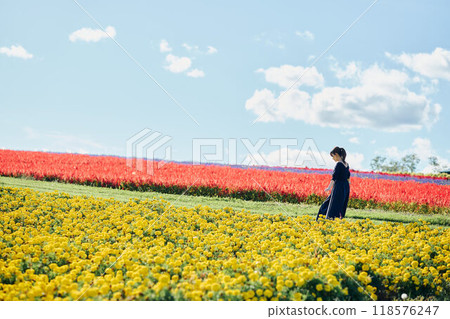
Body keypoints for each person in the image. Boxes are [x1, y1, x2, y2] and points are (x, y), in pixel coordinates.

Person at [316, 147, 350, 221]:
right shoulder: (347, 165)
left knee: (332, 204)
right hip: (345, 187)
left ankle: (327, 219)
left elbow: (334, 178)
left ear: (337, 154)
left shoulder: (339, 164)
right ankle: (337, 219)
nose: (333, 158)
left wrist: (329, 187)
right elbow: (348, 176)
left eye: (333, 156)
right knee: (340, 204)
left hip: (338, 187)